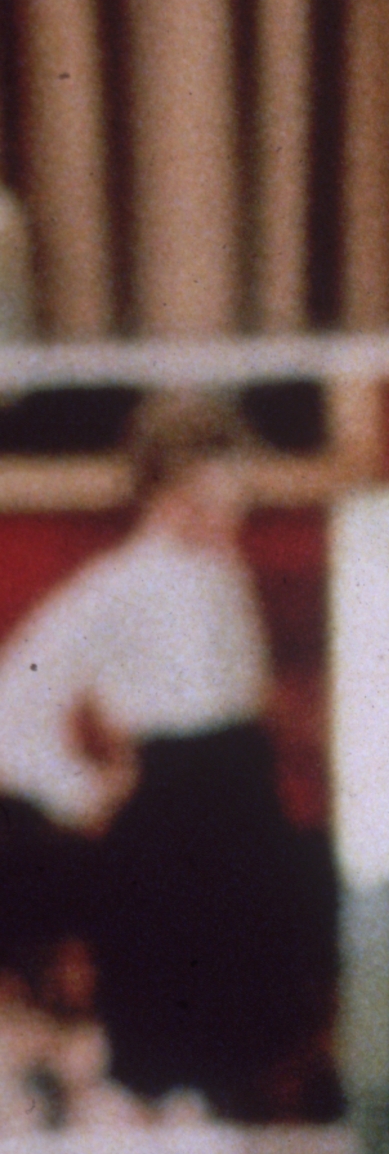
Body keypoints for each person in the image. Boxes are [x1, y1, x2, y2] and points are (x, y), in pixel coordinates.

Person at [0, 392, 327, 1115]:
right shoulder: (117, 587)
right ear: (166, 492)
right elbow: (11, 703)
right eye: (211, 500)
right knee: (171, 1045)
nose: (229, 518)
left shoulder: (225, 575)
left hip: (246, 818)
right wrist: (81, 790)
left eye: (236, 501)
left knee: (257, 1044)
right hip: (170, 831)